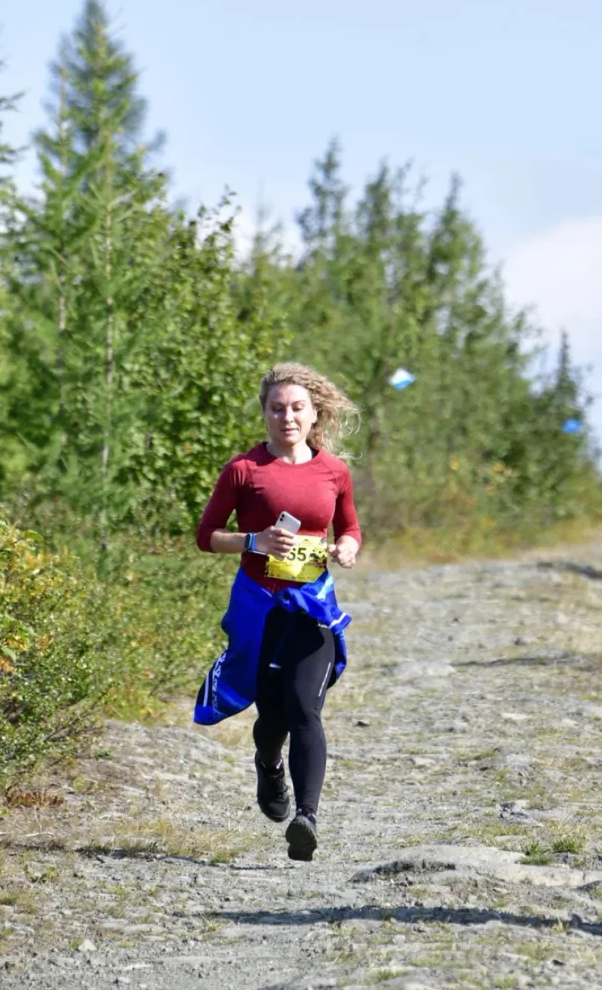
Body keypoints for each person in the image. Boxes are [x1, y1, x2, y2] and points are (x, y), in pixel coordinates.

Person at [194, 363, 363, 862]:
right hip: (260, 607)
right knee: (272, 718)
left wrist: (347, 548)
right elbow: (207, 537)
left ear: (313, 415)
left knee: (304, 707)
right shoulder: (244, 471)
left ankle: (306, 818)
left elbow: (351, 528)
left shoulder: (334, 471)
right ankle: (268, 765)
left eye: (296, 409)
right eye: (276, 409)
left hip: (311, 607)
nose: (286, 417)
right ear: (265, 414)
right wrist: (254, 539)